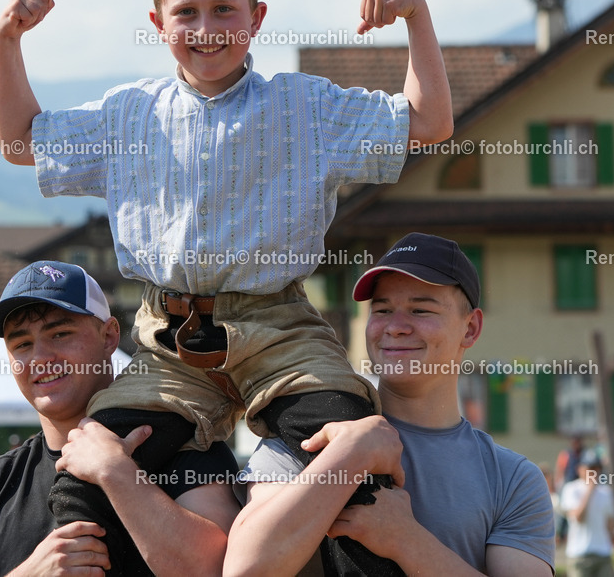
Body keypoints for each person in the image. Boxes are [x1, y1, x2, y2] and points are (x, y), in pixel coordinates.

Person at [0, 0, 452, 575]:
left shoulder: (305, 106)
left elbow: (430, 121)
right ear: (158, 23)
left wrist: (417, 15)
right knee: (88, 467)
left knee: (346, 450)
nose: (205, 27)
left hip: (280, 330)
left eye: (223, 10)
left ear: (256, 18)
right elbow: (20, 142)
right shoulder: (129, 113)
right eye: (187, 13)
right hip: (167, 342)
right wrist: (8, 40)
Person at [224, 232, 556, 576]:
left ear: (470, 328)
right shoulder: (312, 435)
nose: (395, 327)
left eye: (420, 309)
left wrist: (406, 540)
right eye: (382, 310)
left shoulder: (512, 478)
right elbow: (246, 570)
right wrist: (353, 453)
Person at [0, 260, 241, 576]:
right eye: (22, 344)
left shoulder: (186, 446)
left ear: (109, 336)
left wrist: (116, 473)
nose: (40, 358)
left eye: (60, 334)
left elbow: (218, 569)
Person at [559, 450, 614, 577]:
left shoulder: (606, 492)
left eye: (597, 468)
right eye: (590, 468)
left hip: (603, 554)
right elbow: (578, 517)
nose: (594, 472)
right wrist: (590, 489)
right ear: (580, 469)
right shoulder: (571, 489)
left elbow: (610, 524)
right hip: (580, 554)